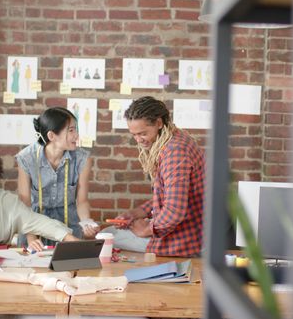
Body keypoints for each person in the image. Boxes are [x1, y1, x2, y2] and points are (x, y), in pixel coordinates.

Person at [111, 96, 205, 257]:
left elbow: (174, 211)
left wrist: (147, 229)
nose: (138, 140)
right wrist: (137, 213)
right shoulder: (176, 139)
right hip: (192, 230)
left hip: (186, 239)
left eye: (143, 133)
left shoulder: (175, 153)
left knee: (109, 235)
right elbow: (169, 197)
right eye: (134, 135)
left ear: (159, 123)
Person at [16, 107, 98, 251]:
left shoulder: (82, 158)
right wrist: (31, 237)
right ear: (52, 136)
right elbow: (25, 203)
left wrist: (86, 222)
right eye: (71, 130)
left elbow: (82, 200)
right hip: (34, 226)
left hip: (69, 228)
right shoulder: (26, 158)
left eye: (76, 130)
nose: (76, 136)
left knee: (71, 270)